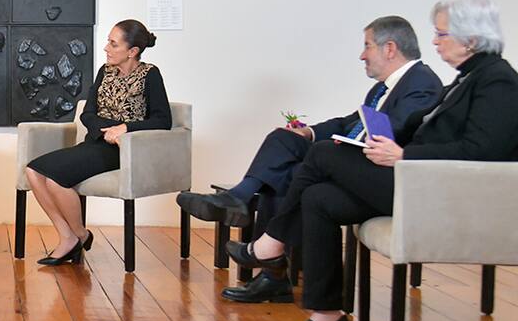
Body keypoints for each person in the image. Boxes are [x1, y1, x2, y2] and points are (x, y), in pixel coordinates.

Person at [227, 0, 518, 321]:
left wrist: (404, 154)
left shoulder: (497, 80)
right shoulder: (465, 79)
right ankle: (326, 317)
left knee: (321, 155)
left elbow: (483, 151)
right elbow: (424, 125)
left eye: (442, 34)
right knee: (319, 198)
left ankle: (271, 243)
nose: (435, 41)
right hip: (420, 182)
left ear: (471, 38)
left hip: (437, 192)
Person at [177, 16, 441, 303]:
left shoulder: (421, 83)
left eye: (367, 46)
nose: (362, 55)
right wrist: (310, 132)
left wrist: (335, 147)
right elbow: (351, 121)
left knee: (288, 174)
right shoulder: (383, 88)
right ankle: (241, 199)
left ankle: (272, 271)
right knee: (283, 140)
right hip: (355, 159)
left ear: (390, 48)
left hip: (375, 172)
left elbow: (393, 131)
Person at [24, 19, 172, 266]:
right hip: (95, 142)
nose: (106, 48)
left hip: (123, 151)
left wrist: (125, 128)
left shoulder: (150, 74)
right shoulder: (105, 71)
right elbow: (87, 113)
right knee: (33, 171)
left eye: (113, 44)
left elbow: (162, 119)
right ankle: (71, 236)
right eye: (108, 42)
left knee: (56, 179)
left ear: (132, 51)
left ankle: (78, 236)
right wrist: (104, 130)